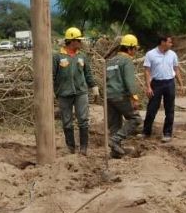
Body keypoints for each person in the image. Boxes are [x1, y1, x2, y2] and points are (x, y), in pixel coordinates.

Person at [52, 27, 96, 155]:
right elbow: (52, 75)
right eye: (79, 40)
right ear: (72, 41)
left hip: (81, 92)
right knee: (67, 121)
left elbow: (88, 73)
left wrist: (94, 86)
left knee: (83, 120)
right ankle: (71, 148)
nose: (81, 43)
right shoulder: (57, 56)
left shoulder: (82, 56)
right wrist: (53, 91)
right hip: (63, 94)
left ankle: (83, 148)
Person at [105, 34, 142, 158]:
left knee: (115, 124)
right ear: (130, 48)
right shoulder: (126, 60)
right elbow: (129, 81)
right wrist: (134, 98)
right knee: (135, 119)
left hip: (109, 96)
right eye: (135, 49)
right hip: (120, 95)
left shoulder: (111, 61)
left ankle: (115, 152)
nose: (135, 52)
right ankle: (115, 140)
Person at [142, 35, 183, 142]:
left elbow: (176, 69)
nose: (171, 44)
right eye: (169, 42)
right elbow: (147, 71)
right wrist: (148, 87)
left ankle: (167, 133)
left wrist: (181, 84)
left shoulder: (172, 54)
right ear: (162, 42)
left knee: (169, 109)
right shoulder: (150, 54)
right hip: (156, 84)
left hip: (169, 83)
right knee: (152, 108)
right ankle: (146, 132)